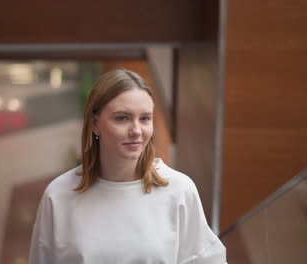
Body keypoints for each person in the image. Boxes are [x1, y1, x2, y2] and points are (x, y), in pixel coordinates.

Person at [28, 68, 226, 264]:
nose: (136, 131)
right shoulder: (58, 194)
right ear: (95, 124)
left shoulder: (179, 189)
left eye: (145, 118)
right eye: (122, 118)